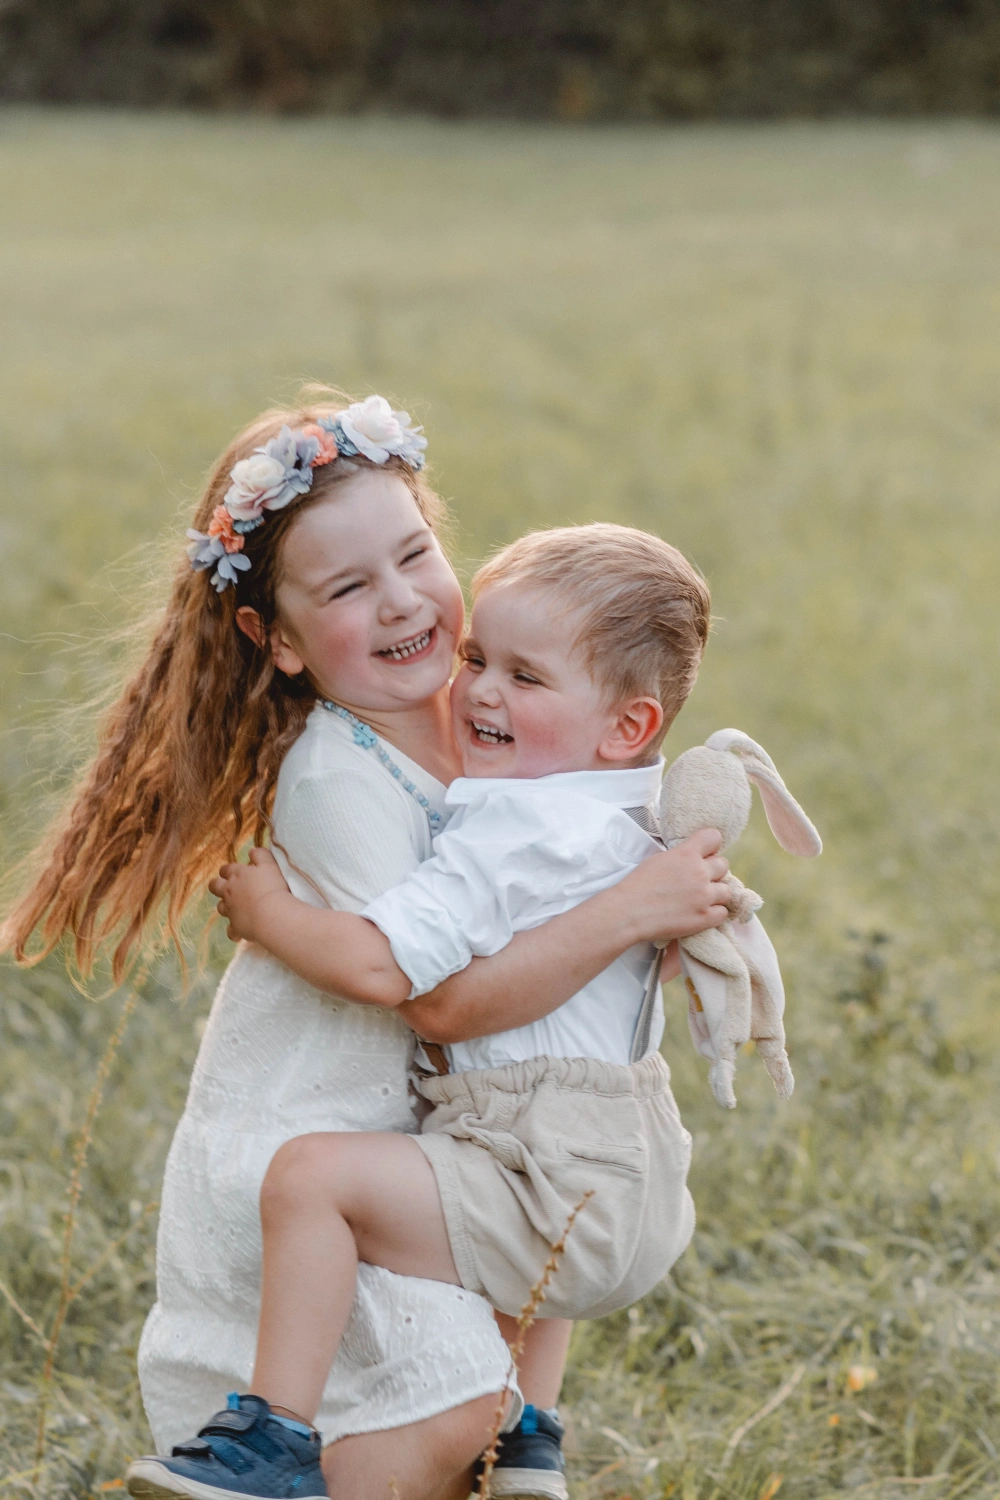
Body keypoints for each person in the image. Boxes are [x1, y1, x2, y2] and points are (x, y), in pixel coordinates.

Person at [3, 389, 729, 1500]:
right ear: (276, 640)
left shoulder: (486, 720)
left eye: (413, 554)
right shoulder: (338, 778)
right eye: (347, 588)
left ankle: (519, 1432)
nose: (401, 603)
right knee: (437, 1418)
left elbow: (562, 883)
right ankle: (296, 1458)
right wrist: (626, 913)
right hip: (325, 1122)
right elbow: (434, 993)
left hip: (442, 1132)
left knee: (470, 1393)